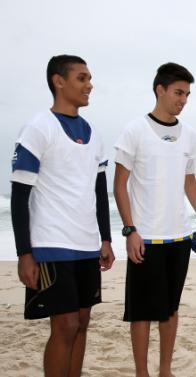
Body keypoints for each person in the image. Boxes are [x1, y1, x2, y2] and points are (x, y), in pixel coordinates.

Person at [10, 54, 115, 377]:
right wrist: (25, 253)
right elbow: (19, 196)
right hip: (51, 243)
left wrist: (106, 239)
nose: (89, 85)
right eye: (82, 78)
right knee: (65, 324)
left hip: (86, 243)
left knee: (82, 322)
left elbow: (99, 193)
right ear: (59, 80)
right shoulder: (38, 128)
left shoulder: (93, 133)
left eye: (89, 78)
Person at [113, 62, 196, 377]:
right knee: (142, 312)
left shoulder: (189, 135)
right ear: (160, 90)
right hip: (146, 238)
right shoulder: (135, 130)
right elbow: (119, 185)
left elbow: (190, 182)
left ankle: (165, 370)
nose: (183, 100)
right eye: (178, 92)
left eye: (187, 94)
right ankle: (142, 372)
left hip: (180, 238)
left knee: (170, 309)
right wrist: (130, 230)